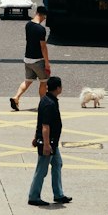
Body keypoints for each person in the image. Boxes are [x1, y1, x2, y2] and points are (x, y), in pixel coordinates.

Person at [28, 74, 71, 206]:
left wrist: (36, 137)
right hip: (48, 143)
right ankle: (34, 197)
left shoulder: (48, 100)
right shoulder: (49, 103)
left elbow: (39, 121)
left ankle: (58, 194)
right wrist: (46, 144)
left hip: (52, 143)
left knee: (58, 164)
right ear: (58, 88)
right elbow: (45, 126)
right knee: (42, 169)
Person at [11, 5, 49, 110]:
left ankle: (16, 97)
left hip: (27, 59)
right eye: (44, 17)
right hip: (38, 60)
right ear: (43, 16)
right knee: (43, 81)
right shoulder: (41, 29)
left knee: (28, 80)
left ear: (36, 13)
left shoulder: (28, 25)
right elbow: (43, 47)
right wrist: (47, 63)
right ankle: (42, 105)